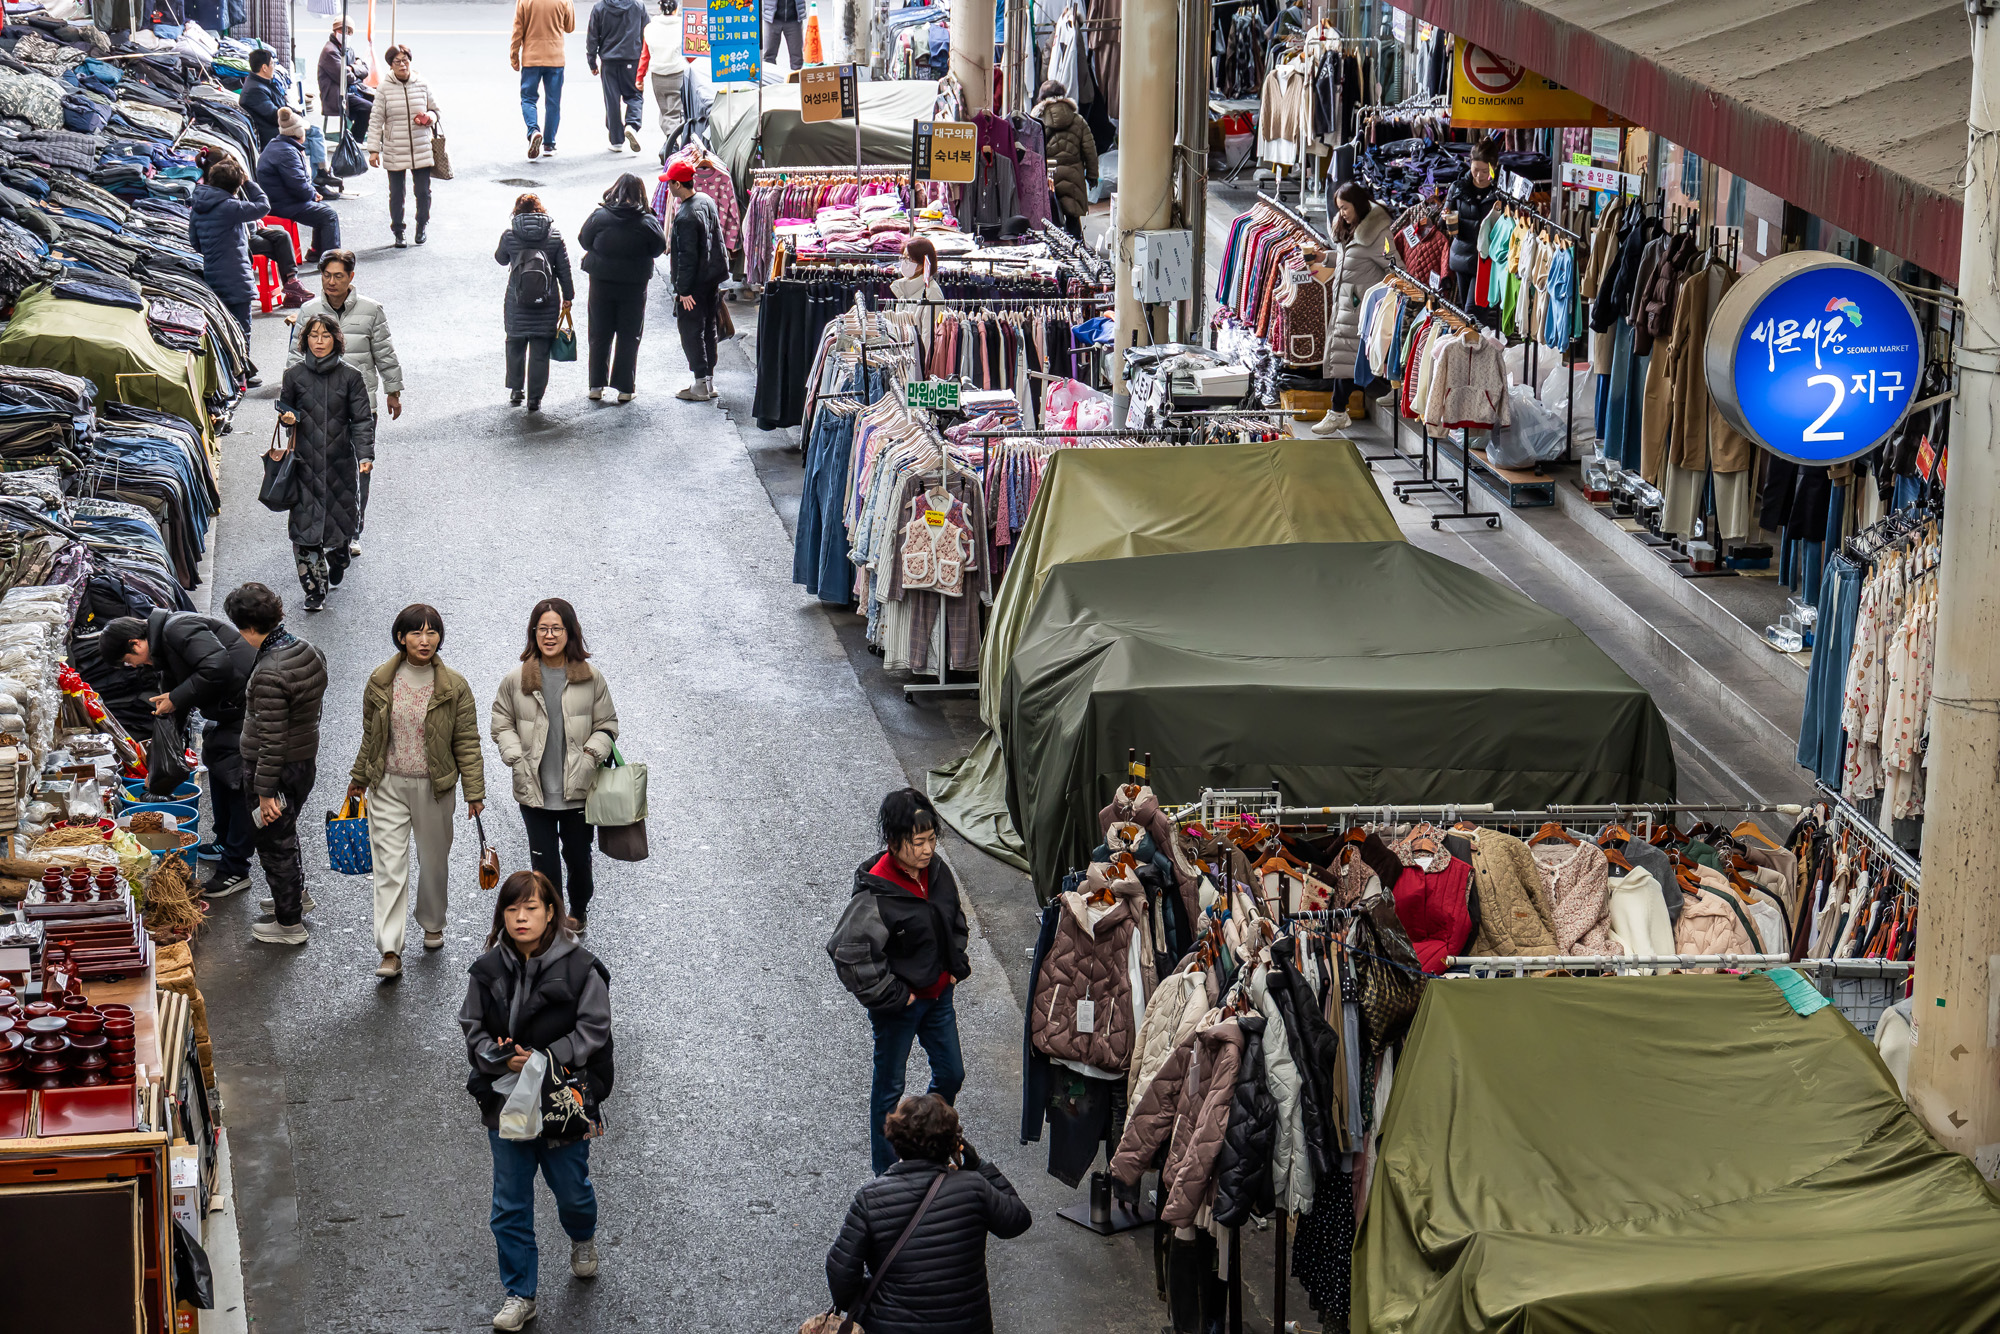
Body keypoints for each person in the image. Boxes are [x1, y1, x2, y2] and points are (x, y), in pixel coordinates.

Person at [458, 870, 611, 1333]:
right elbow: (472, 1026)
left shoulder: (583, 968)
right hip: (506, 1106)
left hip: (562, 1103)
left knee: (572, 1192)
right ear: (501, 915)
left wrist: (544, 1059)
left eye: (531, 908)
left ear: (551, 913)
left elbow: (593, 1030)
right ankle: (520, 1293)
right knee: (509, 1204)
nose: (521, 917)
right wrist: (499, 1057)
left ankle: (582, 1236)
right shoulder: (487, 970)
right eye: (511, 908)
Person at [826, 788, 971, 1175]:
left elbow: (954, 919)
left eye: (931, 839)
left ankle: (924, 1139)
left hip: (940, 996)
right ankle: (887, 1173)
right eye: (918, 842)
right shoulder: (877, 892)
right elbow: (849, 953)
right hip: (900, 1009)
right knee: (889, 1089)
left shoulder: (937, 872)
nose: (927, 850)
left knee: (951, 1072)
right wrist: (894, 995)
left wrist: (955, 964)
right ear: (893, 842)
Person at [348, 604, 486, 981]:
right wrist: (359, 776)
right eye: (416, 633)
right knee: (389, 868)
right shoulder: (380, 680)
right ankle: (390, 948)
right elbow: (371, 735)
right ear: (401, 637)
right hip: (387, 785)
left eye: (432, 633)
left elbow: (467, 742)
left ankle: (432, 922)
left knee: (434, 862)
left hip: (435, 788)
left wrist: (475, 792)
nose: (425, 641)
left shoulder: (454, 685)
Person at [826, 1096, 1030, 1334]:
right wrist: (981, 1166)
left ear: (894, 1140)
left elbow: (840, 1272)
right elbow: (1018, 1220)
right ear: (954, 1144)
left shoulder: (871, 1197)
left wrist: (874, 1299)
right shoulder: (973, 1187)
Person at [99, 610, 256, 900]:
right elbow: (182, 690)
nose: (131, 666)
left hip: (249, 709)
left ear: (136, 644)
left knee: (238, 785)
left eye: (126, 660)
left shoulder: (178, 629)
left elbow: (217, 667)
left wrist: (176, 698)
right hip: (230, 710)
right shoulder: (164, 647)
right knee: (219, 770)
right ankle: (224, 842)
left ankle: (236, 869)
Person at [490, 599, 618, 934]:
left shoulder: (591, 678)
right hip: (534, 791)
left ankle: (578, 909)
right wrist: (514, 756)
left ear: (569, 632)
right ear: (533, 632)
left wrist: (592, 753)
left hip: (579, 789)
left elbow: (607, 725)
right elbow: (501, 722)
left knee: (578, 858)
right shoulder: (516, 680)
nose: (549, 635)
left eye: (556, 628)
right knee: (543, 865)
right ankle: (554, 919)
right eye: (543, 628)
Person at [225, 582, 329, 947]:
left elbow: (271, 739)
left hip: (274, 770)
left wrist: (265, 792)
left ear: (248, 627)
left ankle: (289, 924)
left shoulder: (269, 671)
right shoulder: (306, 649)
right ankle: (295, 898)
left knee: (273, 844)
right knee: (286, 835)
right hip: (303, 762)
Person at [286, 251, 403, 556]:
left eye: (339, 276)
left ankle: (351, 530)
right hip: (314, 408)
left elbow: (384, 353)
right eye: (326, 275)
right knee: (317, 469)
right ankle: (319, 526)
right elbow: (294, 359)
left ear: (351, 277)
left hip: (361, 407)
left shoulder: (371, 310)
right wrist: (290, 406)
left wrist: (394, 390)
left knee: (359, 468)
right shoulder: (308, 310)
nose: (332, 282)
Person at [274, 314, 374, 611]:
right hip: (303, 465)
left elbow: (362, 421)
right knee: (305, 531)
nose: (319, 342)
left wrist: (365, 455)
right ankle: (314, 590)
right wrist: (286, 417)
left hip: (340, 466)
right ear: (305, 340)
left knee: (340, 525)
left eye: (325, 335)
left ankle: (339, 555)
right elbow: (284, 410)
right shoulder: (293, 376)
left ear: (336, 340)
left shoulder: (351, 377)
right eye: (313, 336)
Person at [1307, 180, 1393, 438]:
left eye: (1345, 208)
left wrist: (1382, 299)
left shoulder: (1377, 233)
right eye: (1339, 208)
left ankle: (1337, 411)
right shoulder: (1352, 229)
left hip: (1362, 307)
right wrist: (1326, 258)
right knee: (1351, 359)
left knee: (1349, 360)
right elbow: (1350, 259)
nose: (1341, 213)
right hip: (1347, 304)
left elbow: (1394, 266)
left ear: (1357, 204)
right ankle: (1385, 390)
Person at [191, 159, 308, 333]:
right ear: (236, 186)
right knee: (242, 330)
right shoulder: (230, 206)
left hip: (212, 273)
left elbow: (195, 243)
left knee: (222, 329)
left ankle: (291, 281)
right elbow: (263, 206)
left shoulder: (198, 205)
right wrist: (249, 182)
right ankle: (291, 280)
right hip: (236, 276)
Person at [578, 173, 666, 403]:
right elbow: (659, 248)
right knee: (629, 335)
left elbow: (584, 240)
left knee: (599, 333)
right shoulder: (647, 221)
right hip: (634, 286)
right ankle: (625, 388)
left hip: (601, 281)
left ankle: (596, 385)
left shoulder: (600, 216)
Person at [495, 193, 576, 412]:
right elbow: (564, 270)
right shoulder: (555, 236)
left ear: (516, 212)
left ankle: (516, 390)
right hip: (546, 302)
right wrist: (568, 296)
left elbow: (501, 259)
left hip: (517, 300)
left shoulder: (510, 235)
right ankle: (535, 399)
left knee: (515, 344)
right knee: (540, 351)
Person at [364, 45, 440, 249]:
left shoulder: (422, 83)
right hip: (395, 147)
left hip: (420, 146)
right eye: (397, 61)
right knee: (397, 194)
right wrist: (373, 150)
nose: (402, 64)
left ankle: (422, 226)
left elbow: (436, 110)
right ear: (391, 65)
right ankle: (399, 231)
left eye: (405, 60)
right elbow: (376, 119)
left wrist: (429, 117)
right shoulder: (384, 88)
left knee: (423, 192)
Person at [665, 159, 727, 402]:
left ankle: (700, 383)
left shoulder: (686, 216)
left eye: (670, 183)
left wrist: (683, 290)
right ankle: (708, 381)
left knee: (691, 330)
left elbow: (687, 257)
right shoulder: (706, 201)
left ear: (678, 184)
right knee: (709, 328)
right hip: (711, 279)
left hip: (695, 284)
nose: (668, 188)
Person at [258, 108, 342, 261]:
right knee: (328, 215)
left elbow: (298, 183)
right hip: (283, 204)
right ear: (298, 132)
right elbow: (298, 186)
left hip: (279, 199)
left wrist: (311, 192)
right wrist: (311, 193)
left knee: (323, 211)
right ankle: (332, 261)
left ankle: (316, 252)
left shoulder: (278, 145)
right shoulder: (288, 153)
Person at [512, 0, 577, 159]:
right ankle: (549, 144)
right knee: (553, 102)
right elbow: (570, 27)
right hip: (555, 59)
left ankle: (533, 131)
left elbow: (518, 29)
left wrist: (514, 55)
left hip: (531, 59)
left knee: (528, 98)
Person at [1033, 81, 1097, 240]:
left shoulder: (1038, 121)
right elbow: (1090, 150)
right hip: (1074, 174)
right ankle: (1077, 253)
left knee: (1051, 217)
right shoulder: (1078, 120)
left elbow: (1033, 150)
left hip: (1048, 176)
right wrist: (1092, 176)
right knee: (1073, 219)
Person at [1444, 137, 1501, 313]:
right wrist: (1444, 216)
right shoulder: (1458, 188)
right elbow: (1442, 221)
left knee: (1472, 312)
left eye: (1485, 171)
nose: (1479, 176)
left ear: (1495, 166)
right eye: (1475, 170)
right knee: (1466, 312)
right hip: (1461, 256)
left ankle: (1475, 341)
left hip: (1486, 261)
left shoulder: (1500, 193)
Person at [586, 0, 646, 153]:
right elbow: (646, 33)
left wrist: (592, 61)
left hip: (609, 61)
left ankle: (616, 140)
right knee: (634, 95)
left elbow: (592, 36)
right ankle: (632, 125)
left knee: (612, 100)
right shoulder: (638, 6)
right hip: (632, 58)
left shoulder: (599, 8)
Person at [637, 0, 685, 156]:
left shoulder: (650, 28)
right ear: (676, 8)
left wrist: (640, 77)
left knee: (665, 111)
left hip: (657, 76)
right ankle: (671, 145)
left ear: (659, 7)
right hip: (677, 73)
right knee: (675, 112)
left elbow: (645, 55)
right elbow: (690, 53)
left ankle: (669, 141)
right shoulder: (682, 26)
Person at [318, 20, 375, 140]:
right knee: (367, 107)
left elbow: (365, 70)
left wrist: (352, 68)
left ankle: (366, 135)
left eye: (349, 32)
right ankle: (355, 140)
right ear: (335, 31)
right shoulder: (330, 51)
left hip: (352, 90)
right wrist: (356, 71)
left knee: (379, 100)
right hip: (337, 95)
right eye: (343, 30)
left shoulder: (347, 49)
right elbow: (345, 77)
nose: (346, 34)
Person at [761, 0, 802, 71]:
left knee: (797, 57)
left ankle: (797, 79)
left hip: (794, 18)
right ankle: (770, 79)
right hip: (772, 19)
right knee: (768, 56)